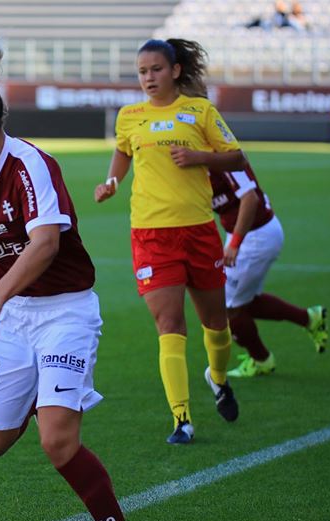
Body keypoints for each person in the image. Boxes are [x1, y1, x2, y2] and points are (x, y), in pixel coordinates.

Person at [0, 41, 144, 521]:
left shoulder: (31, 163)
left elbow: (46, 242)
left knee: (57, 441)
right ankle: (40, 392)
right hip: (12, 318)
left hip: (63, 312)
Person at [94, 38, 244, 445]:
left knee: (216, 324)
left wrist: (200, 158)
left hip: (198, 230)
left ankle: (217, 377)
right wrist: (112, 181)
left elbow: (236, 157)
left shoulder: (200, 111)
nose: (148, 78)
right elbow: (123, 152)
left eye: (156, 69)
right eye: (142, 71)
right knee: (169, 325)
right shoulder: (130, 116)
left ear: (175, 70)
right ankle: (182, 419)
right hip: (150, 233)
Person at [208, 162, 329, 378]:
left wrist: (235, 243)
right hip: (246, 233)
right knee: (245, 301)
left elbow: (250, 198)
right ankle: (310, 318)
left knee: (226, 308)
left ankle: (261, 359)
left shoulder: (220, 154)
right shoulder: (197, 156)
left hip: (253, 236)